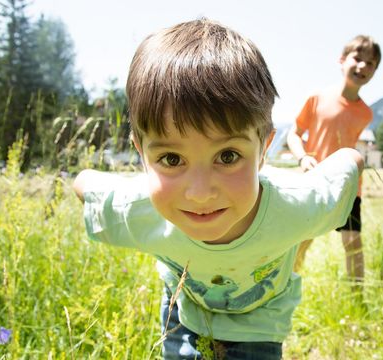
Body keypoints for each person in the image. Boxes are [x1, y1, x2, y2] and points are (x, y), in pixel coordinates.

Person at [73, 18, 363, 359]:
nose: (199, 193)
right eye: (170, 159)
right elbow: (85, 185)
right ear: (141, 153)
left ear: (263, 151)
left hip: (260, 322)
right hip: (184, 312)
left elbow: (348, 164)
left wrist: (350, 158)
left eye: (227, 156)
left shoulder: (296, 206)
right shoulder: (139, 207)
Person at [286, 35, 381, 282]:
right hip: (314, 180)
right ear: (341, 60)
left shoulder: (365, 113)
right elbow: (293, 134)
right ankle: (285, 290)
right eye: (357, 59)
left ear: (374, 72)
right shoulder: (317, 98)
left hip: (348, 185)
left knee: (353, 242)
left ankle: (357, 298)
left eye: (370, 63)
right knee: (302, 240)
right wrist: (303, 158)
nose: (362, 67)